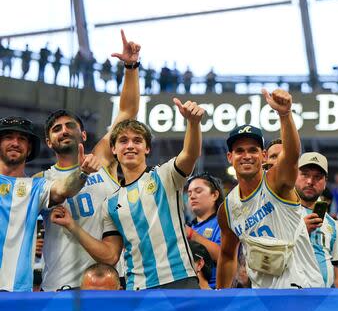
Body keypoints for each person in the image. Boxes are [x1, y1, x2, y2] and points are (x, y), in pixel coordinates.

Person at [51, 98, 206, 290]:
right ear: (114, 149)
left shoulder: (165, 175)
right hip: (138, 288)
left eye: (137, 140)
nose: (130, 145)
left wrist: (193, 123)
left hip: (180, 280)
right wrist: (72, 226)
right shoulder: (110, 203)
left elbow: (190, 154)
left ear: (147, 148)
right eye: (123, 141)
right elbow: (110, 255)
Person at [40, 30, 141, 291]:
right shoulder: (41, 181)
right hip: (59, 285)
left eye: (69, 126)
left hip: (107, 285)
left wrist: (130, 67)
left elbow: (127, 111)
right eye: (56, 129)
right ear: (49, 142)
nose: (64, 130)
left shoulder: (102, 156)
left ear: (82, 134)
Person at [216, 90, 323, 289]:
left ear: (264, 156)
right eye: (239, 151)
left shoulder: (275, 181)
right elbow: (227, 254)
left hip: (303, 290)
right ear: (230, 157)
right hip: (263, 298)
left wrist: (285, 115)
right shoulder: (227, 208)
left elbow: (291, 155)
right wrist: (220, 297)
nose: (246, 155)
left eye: (253, 150)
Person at [0, 116, 101, 291]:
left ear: (29, 147)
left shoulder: (35, 187)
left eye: (22, 139)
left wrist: (83, 172)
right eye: (8, 137)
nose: (15, 142)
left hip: (16, 291)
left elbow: (63, 190)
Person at [296, 152, 338, 287]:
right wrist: (301, 229)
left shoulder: (332, 224)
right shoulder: (281, 214)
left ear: (325, 182)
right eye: (305, 174)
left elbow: (336, 270)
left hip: (325, 298)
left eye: (317, 177)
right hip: (291, 296)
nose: (310, 182)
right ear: (294, 176)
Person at [185, 173, 223, 289]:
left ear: (214, 195)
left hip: (215, 291)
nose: (192, 196)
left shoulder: (223, 223)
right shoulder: (190, 226)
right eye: (189, 193)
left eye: (198, 191)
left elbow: (224, 255)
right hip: (189, 290)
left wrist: (191, 235)